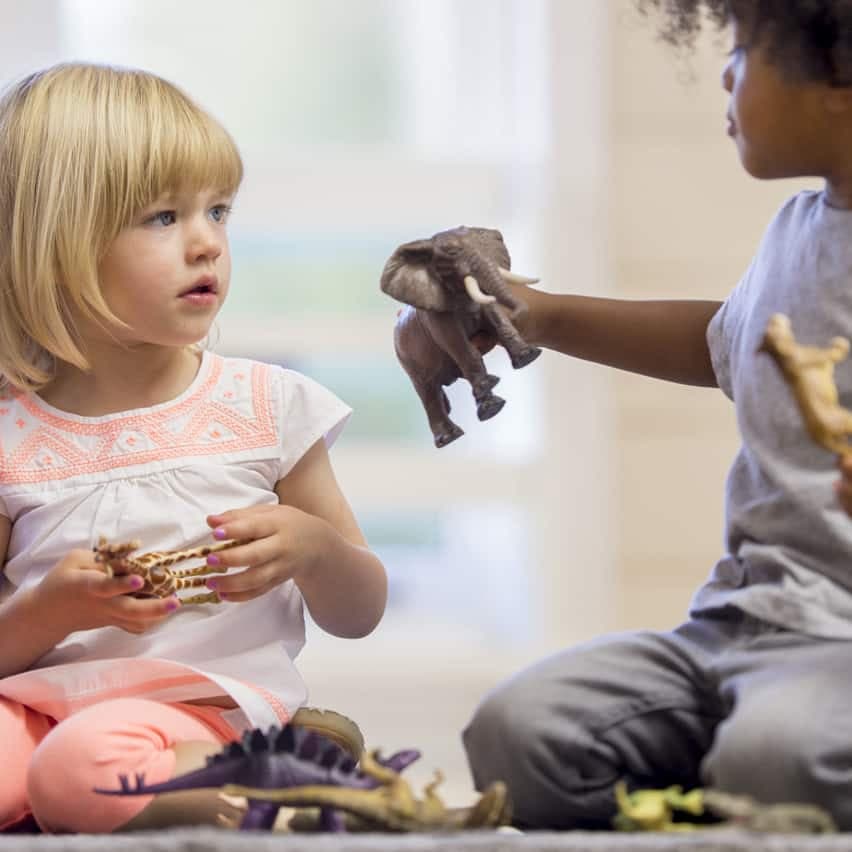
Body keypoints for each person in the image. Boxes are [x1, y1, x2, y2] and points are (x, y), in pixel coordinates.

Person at [463, 0, 852, 831]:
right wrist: (540, 315)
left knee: (773, 758)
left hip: (841, 644)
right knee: (522, 731)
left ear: (840, 80)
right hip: (736, 626)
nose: (725, 76)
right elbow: (723, 345)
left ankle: (753, 783)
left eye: (743, 51)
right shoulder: (798, 229)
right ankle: (725, 799)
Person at [0, 62, 387, 834]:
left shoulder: (264, 406)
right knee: (51, 767)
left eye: (217, 211)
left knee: (78, 770)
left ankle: (298, 788)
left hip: (203, 715)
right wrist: (49, 610)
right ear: (56, 247)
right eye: (163, 217)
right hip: (35, 709)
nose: (208, 242)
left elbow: (359, 611)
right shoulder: (13, 437)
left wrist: (314, 551)